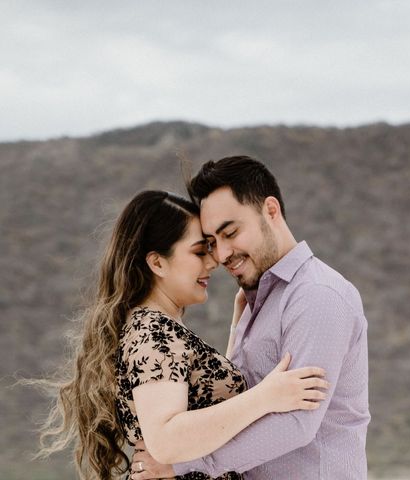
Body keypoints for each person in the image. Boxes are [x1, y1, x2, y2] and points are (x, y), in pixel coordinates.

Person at [34, 190, 328, 480]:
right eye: (200, 251)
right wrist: (265, 397)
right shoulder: (154, 333)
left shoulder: (157, 329)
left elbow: (199, 399)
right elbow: (166, 439)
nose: (213, 261)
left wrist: (237, 332)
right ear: (157, 263)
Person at [132, 156, 370, 480]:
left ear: (271, 211)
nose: (222, 254)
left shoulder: (317, 295)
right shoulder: (254, 300)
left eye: (230, 233)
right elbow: (240, 401)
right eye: (212, 242)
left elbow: (297, 423)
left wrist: (181, 465)